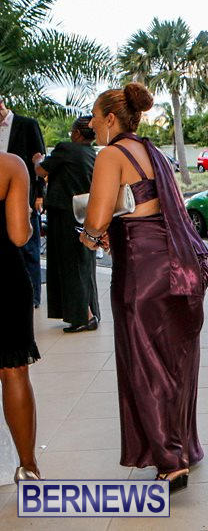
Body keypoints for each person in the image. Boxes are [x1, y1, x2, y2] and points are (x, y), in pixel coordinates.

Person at [80, 83, 208, 493]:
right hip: (178, 266)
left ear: (111, 118)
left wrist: (89, 236)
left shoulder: (112, 155)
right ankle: (183, 447)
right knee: (176, 361)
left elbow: (97, 218)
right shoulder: (152, 152)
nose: (92, 125)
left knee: (145, 364)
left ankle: (170, 463)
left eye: (95, 117)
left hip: (142, 270)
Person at [33, 116, 100, 332]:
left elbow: (41, 170)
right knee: (84, 263)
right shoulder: (92, 153)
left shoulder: (66, 149)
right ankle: (90, 312)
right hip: (85, 214)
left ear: (77, 133)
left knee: (70, 265)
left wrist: (37, 159)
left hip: (64, 214)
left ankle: (83, 317)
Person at [0, 151, 42, 483]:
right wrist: (26, 218)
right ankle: (28, 467)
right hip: (4, 280)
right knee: (13, 371)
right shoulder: (10, 165)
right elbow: (18, 235)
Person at [0, 95, 45, 307]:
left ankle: (36, 295)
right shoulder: (11, 164)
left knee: (31, 250)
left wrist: (39, 195)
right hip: (9, 187)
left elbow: (39, 159)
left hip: (23, 196)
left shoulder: (27, 124)